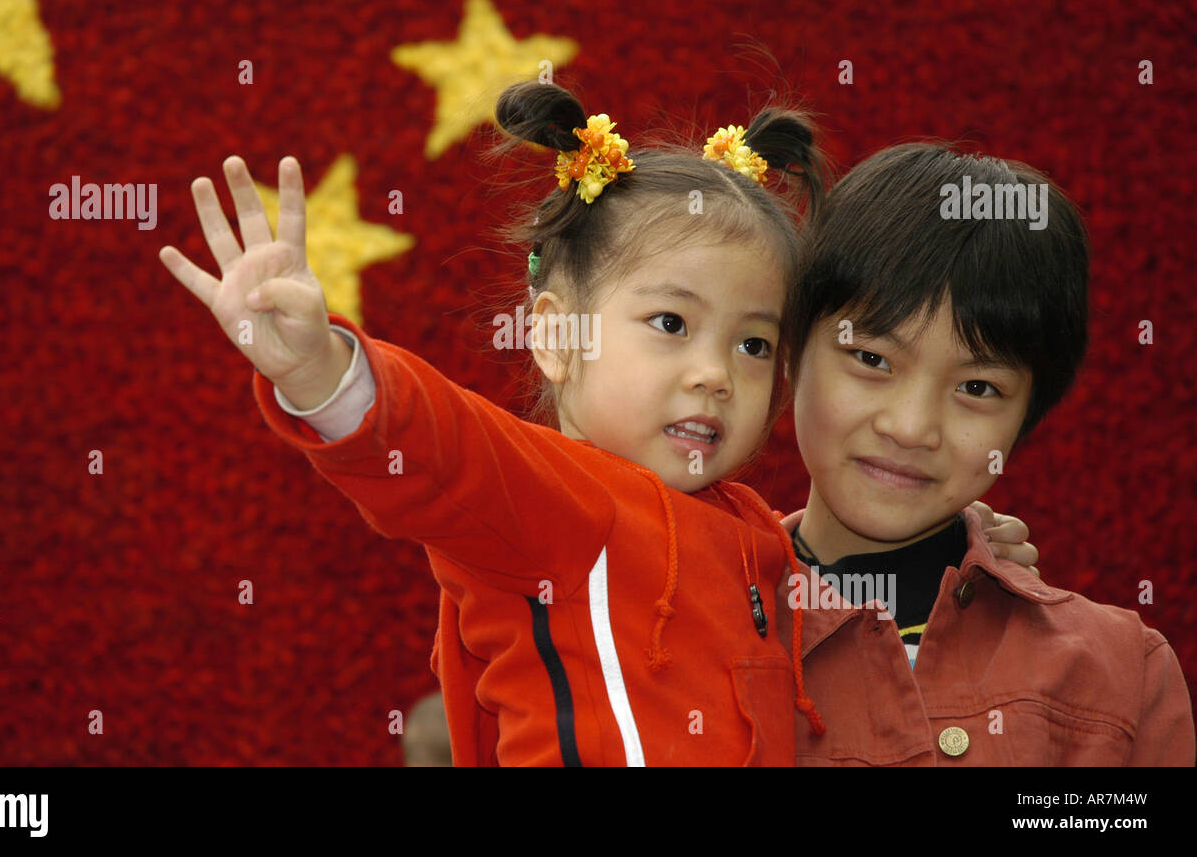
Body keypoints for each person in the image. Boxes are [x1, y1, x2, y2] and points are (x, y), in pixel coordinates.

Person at [158, 84, 1033, 766]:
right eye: (670, 324)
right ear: (552, 334)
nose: (714, 375)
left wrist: (968, 551)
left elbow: (848, 602)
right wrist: (318, 369)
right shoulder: (546, 496)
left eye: (756, 343)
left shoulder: (758, 539)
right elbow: (433, 445)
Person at [772, 142, 1195, 765]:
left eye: (977, 388)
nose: (912, 427)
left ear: (1028, 416)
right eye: (871, 359)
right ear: (789, 351)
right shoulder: (685, 625)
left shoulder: (1123, 675)